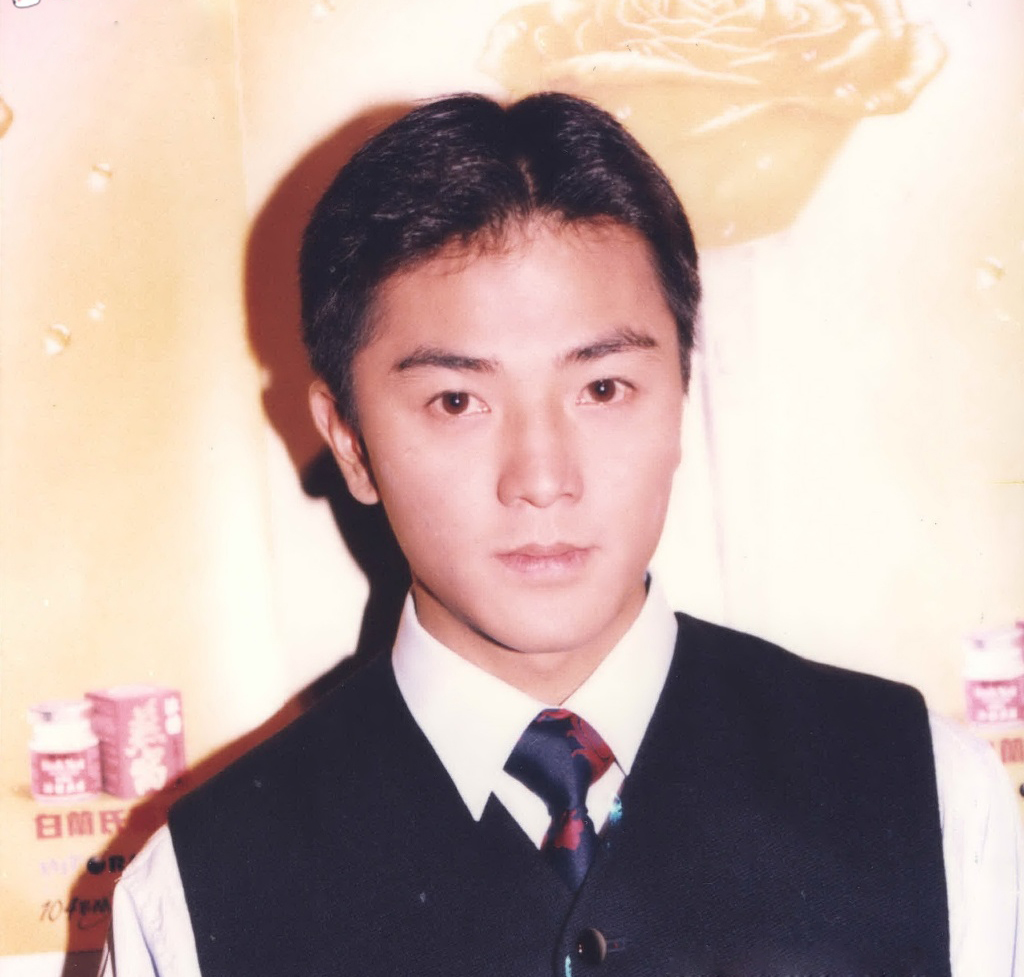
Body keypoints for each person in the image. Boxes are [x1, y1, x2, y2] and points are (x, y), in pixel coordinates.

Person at [101, 92, 1021, 977]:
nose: (541, 479)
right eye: (456, 401)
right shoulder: (193, 895)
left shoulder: (934, 796)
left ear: (681, 395)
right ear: (349, 441)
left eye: (602, 388)